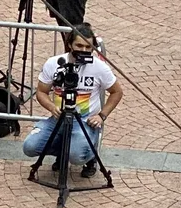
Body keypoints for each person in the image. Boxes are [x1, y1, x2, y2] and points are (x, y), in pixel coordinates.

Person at [21, 23, 120, 171]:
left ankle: (90, 154)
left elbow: (117, 91)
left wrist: (101, 116)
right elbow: (41, 92)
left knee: (76, 155)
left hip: (85, 121)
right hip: (58, 119)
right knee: (29, 147)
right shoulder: (54, 63)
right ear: (69, 44)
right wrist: (51, 107)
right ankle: (63, 152)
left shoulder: (100, 67)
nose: (84, 51)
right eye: (79, 46)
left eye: (88, 47)